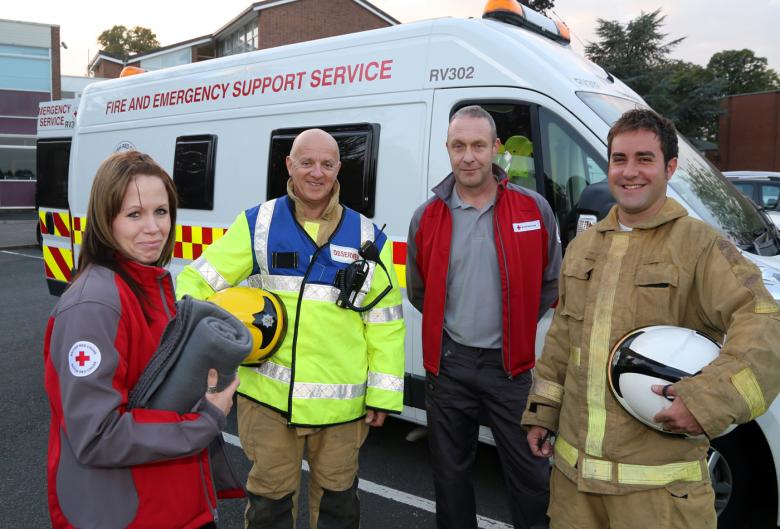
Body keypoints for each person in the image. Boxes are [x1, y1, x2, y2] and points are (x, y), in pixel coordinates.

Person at [522, 108, 780, 529]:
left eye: (645, 159)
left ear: (670, 167)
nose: (629, 172)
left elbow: (765, 321)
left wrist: (709, 399)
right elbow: (563, 340)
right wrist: (542, 411)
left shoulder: (698, 245)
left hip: (656, 499)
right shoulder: (583, 247)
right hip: (574, 490)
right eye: (619, 159)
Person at [176, 128, 405, 529]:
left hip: (341, 409)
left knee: (338, 507)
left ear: (339, 169)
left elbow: (384, 321)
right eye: (307, 162)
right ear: (289, 165)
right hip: (268, 402)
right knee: (269, 506)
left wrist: (383, 396)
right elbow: (195, 285)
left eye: (327, 164)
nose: (317, 173)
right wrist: (214, 343)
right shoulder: (257, 224)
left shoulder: (369, 237)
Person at [43, 150, 239, 529]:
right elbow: (98, 435)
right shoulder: (94, 306)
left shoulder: (149, 284)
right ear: (106, 220)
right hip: (130, 515)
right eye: (134, 214)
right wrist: (206, 420)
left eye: (161, 212)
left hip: (173, 507)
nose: (153, 228)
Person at [406, 105, 561, 529]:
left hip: (510, 370)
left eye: (478, 145)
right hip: (450, 366)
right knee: (450, 477)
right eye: (459, 146)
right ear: (448, 149)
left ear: (495, 148)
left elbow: (550, 284)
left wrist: (514, 327)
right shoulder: (427, 216)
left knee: (531, 477)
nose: (468, 156)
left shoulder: (534, 210)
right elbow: (420, 291)